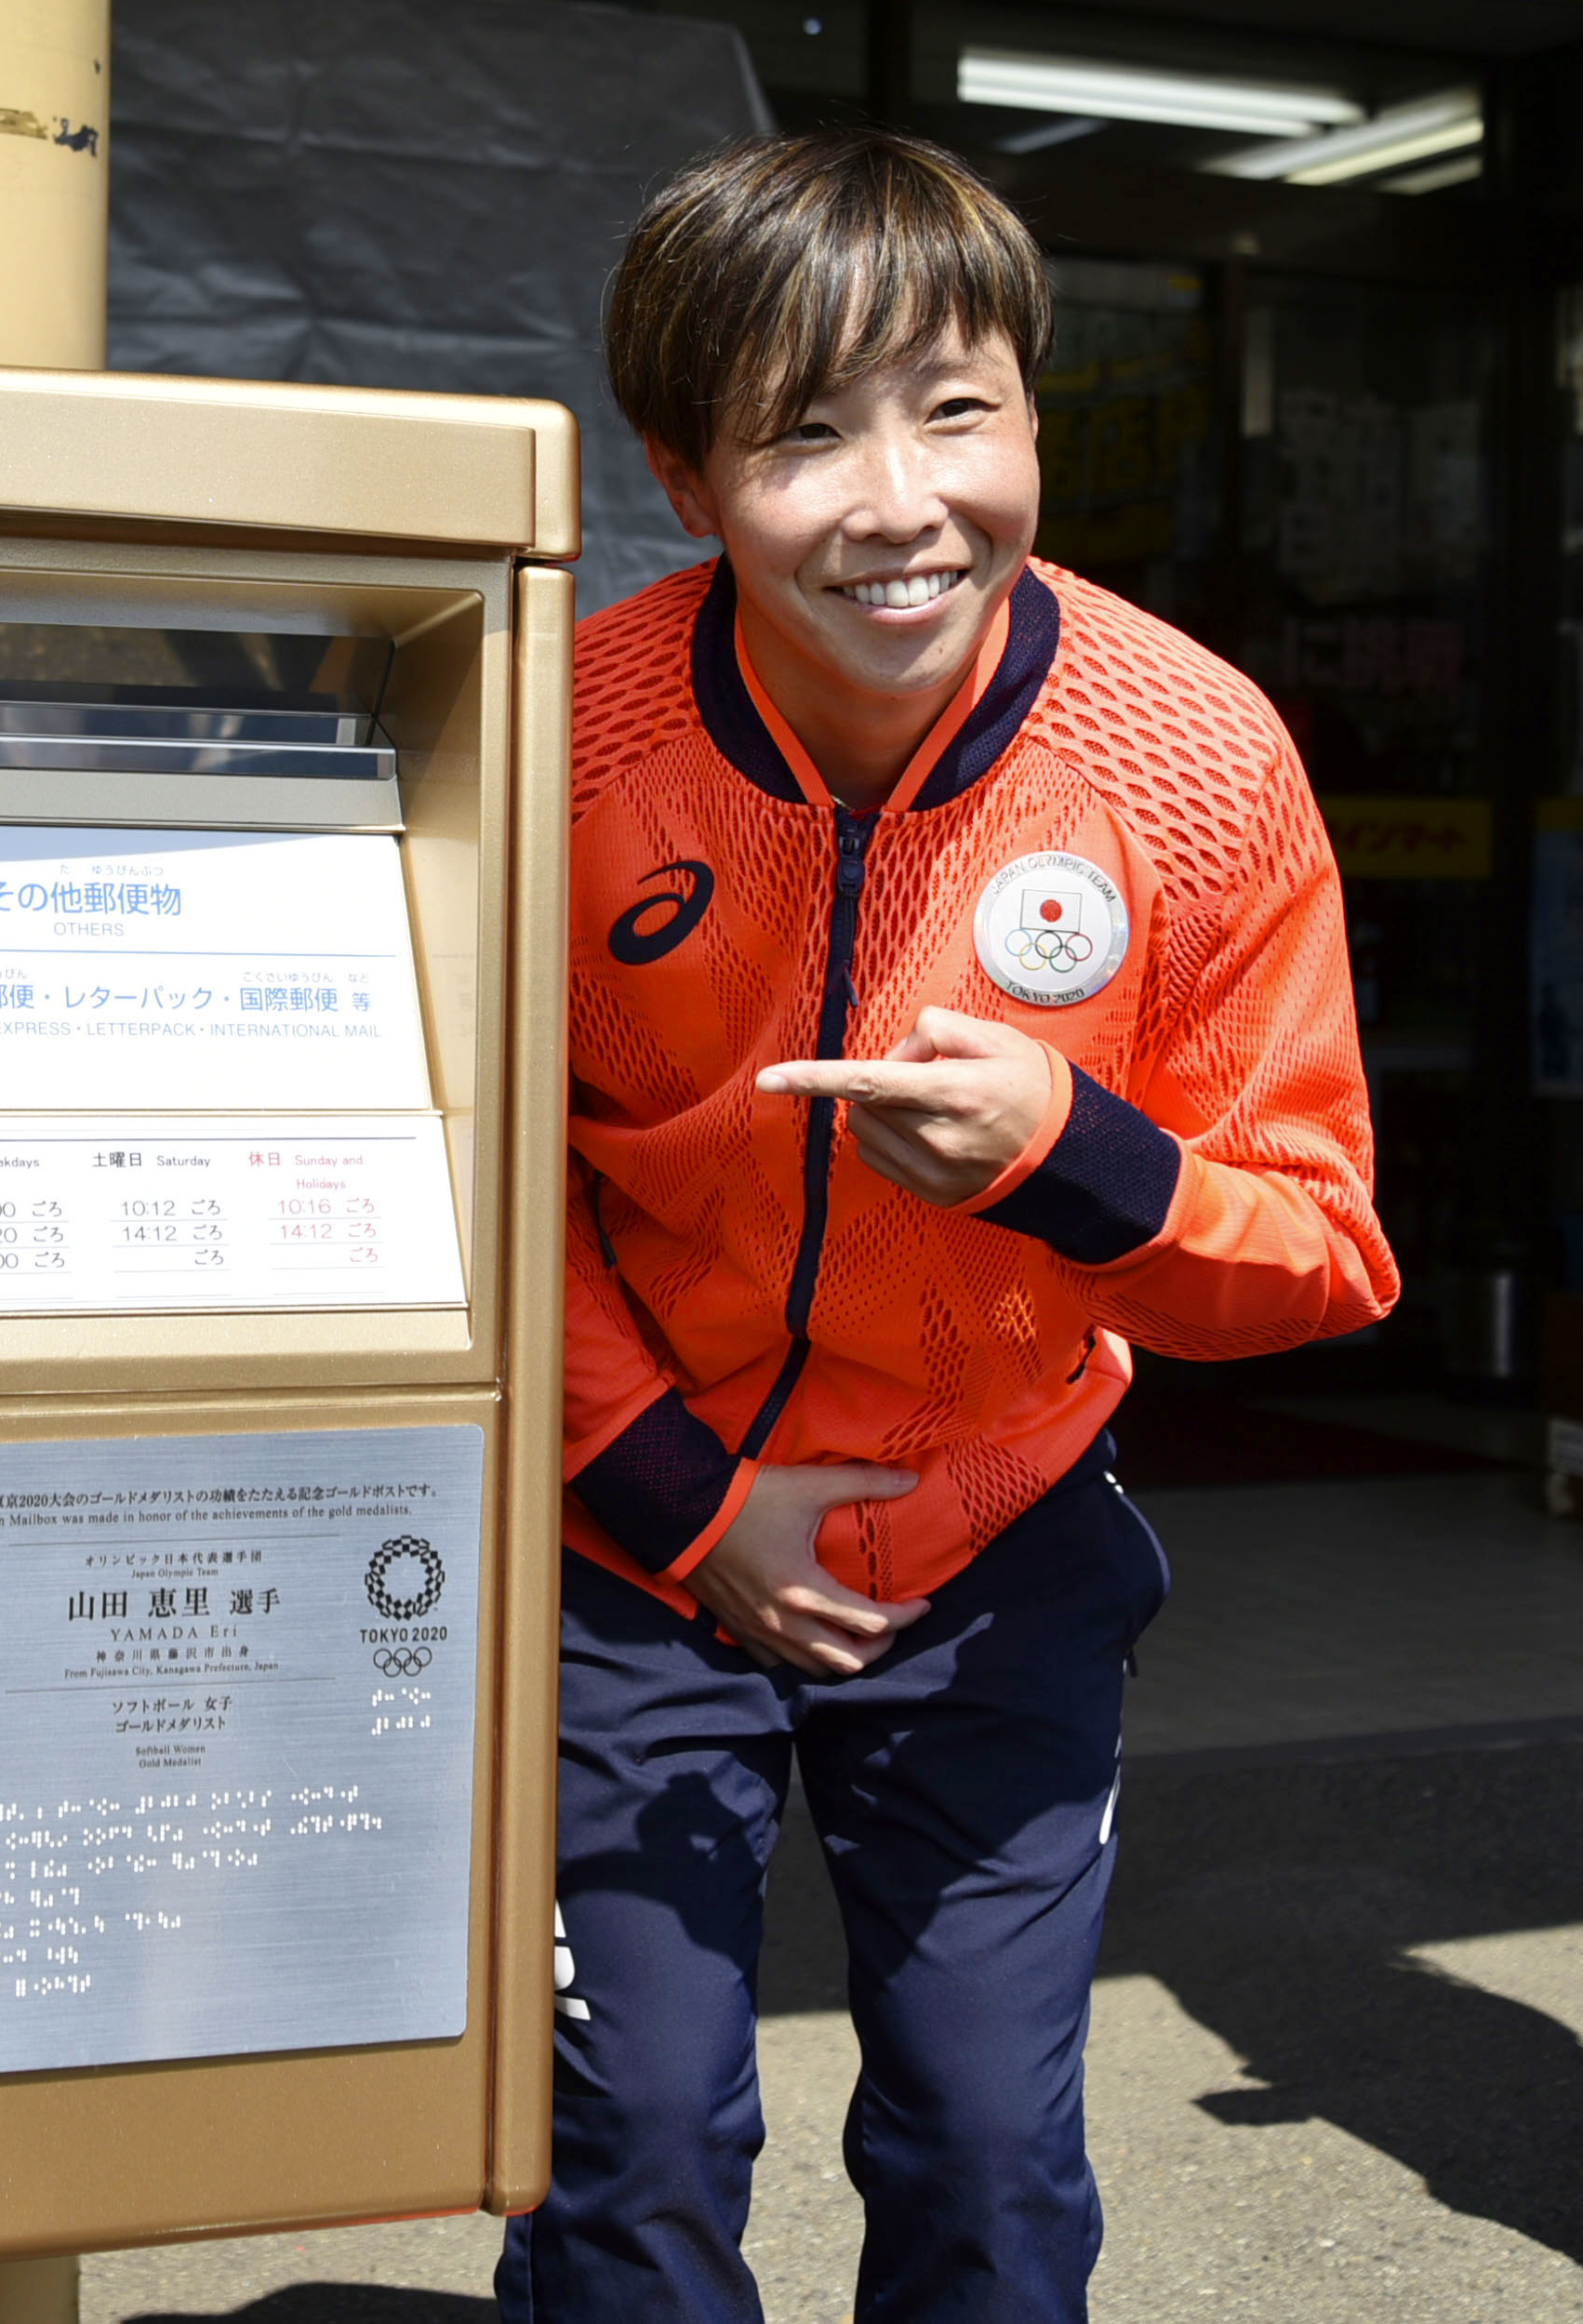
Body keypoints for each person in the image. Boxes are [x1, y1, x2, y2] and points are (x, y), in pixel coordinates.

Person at [498, 129, 1395, 2324]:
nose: (899, 501)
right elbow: (471, 1184)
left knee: (990, 2162)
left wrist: (1067, 1156)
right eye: (803, 432)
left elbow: (1321, 1246)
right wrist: (682, 1500)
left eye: (955, 410)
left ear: (1030, 409)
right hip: (630, 1551)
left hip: (995, 1551)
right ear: (680, 474)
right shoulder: (554, 731)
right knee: (625, 2146)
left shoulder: (1193, 755)